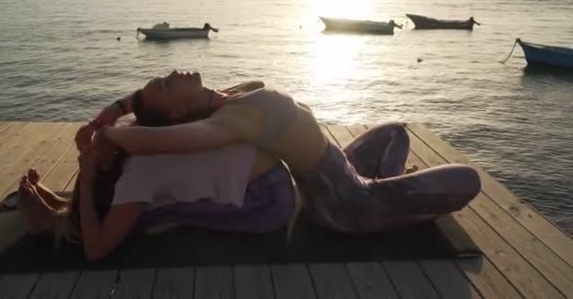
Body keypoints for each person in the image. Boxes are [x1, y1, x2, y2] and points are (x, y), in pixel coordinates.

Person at [91, 71, 481, 233]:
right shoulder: (228, 122)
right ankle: (393, 204)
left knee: (396, 131)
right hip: (345, 202)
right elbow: (170, 140)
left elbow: (151, 110)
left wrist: (114, 109)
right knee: (469, 180)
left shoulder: (235, 95)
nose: (173, 73)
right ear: (177, 110)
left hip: (341, 167)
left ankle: (396, 191)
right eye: (164, 84)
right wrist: (110, 135)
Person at [17, 117, 295, 261]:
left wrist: (86, 183)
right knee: (157, 199)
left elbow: (95, 250)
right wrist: (90, 175)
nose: (89, 149)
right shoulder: (142, 141)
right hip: (272, 178)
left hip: (267, 200)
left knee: (152, 212)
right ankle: (64, 211)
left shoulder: (136, 175)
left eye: (92, 150)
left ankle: (55, 223)